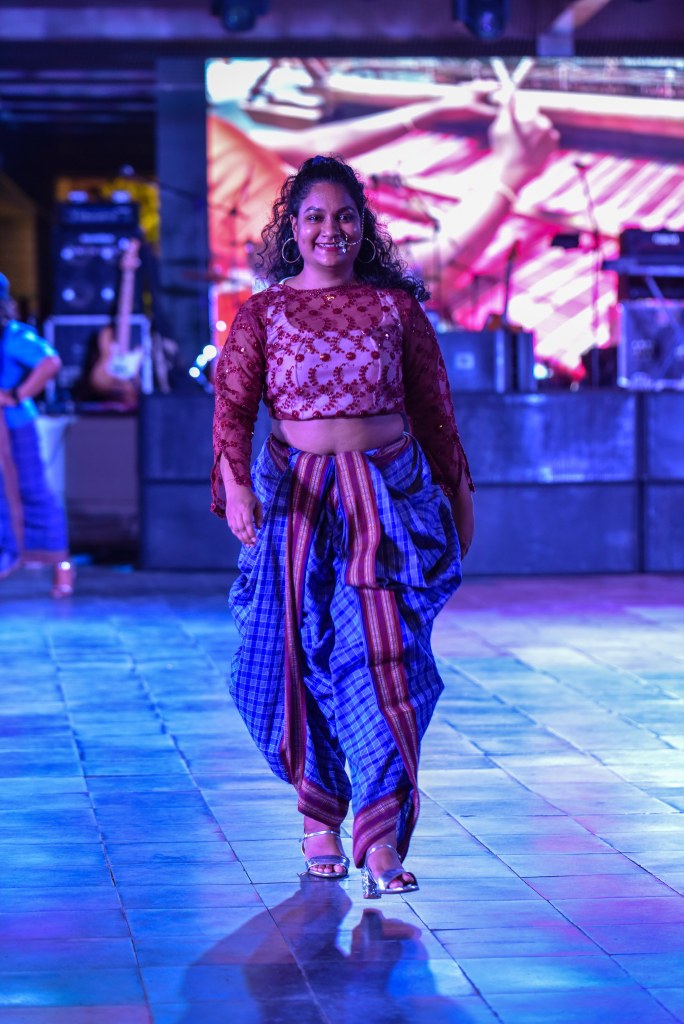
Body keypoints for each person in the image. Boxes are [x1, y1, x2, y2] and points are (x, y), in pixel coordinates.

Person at [211, 155, 474, 897]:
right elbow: (232, 410)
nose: (333, 230)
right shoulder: (263, 313)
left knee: (386, 659)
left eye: (346, 216)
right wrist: (236, 488)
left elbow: (434, 410)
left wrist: (460, 498)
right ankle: (318, 816)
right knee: (295, 656)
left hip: (386, 500)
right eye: (316, 217)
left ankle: (381, 835)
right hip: (296, 505)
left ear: (364, 225)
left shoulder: (396, 309)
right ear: (292, 229)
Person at [0, 273, 75, 597]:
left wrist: (17, 394)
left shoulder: (13, 335)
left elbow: (50, 362)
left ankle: (61, 566)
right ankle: (9, 554)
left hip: (15, 425)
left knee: (34, 489)